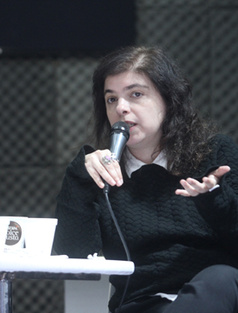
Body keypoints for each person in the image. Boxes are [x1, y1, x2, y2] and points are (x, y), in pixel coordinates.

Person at [53, 46, 238, 313]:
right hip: (142, 304)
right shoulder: (97, 172)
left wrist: (215, 199)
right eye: (111, 99)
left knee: (220, 278)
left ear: (168, 99)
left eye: (136, 95)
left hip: (218, 297)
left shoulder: (215, 154)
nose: (122, 109)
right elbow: (75, 254)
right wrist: (80, 177)